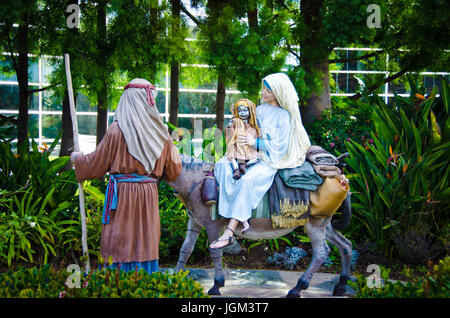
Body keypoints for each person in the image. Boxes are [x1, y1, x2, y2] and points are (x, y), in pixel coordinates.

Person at [70, 78, 182, 274]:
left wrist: (77, 159)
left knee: (119, 238)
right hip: (147, 195)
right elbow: (173, 171)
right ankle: (145, 283)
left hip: (121, 196)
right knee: (144, 239)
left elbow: (96, 164)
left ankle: (117, 283)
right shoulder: (162, 133)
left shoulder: (116, 130)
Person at [209, 73, 311, 249]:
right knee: (222, 166)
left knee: (247, 180)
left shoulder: (284, 116)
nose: (262, 92)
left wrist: (254, 142)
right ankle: (224, 213)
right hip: (249, 154)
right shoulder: (260, 109)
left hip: (269, 160)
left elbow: (280, 147)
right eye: (263, 88)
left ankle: (230, 230)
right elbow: (247, 123)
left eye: (267, 90)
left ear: (278, 92)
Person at [226, 98, 260, 180]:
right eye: (240, 111)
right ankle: (236, 169)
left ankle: (245, 165)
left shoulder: (253, 125)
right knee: (232, 156)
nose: (242, 113)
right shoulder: (235, 123)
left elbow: (256, 136)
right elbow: (230, 136)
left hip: (249, 149)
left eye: (245, 110)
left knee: (258, 157)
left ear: (250, 111)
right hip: (237, 148)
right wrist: (230, 126)